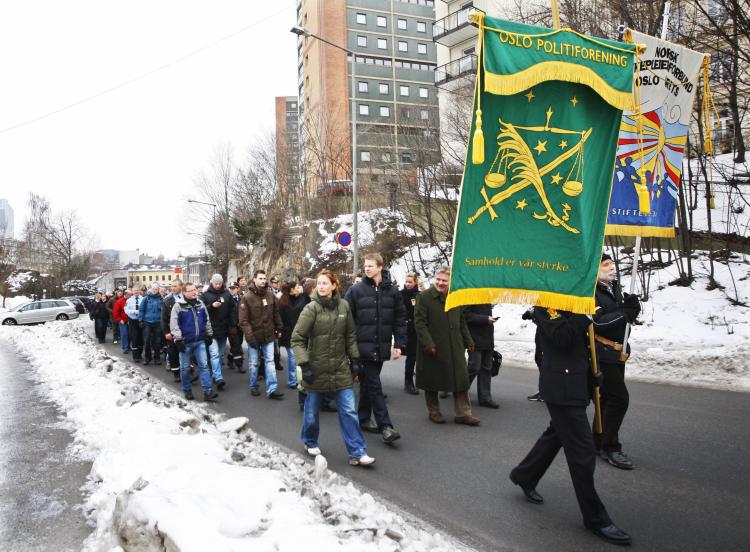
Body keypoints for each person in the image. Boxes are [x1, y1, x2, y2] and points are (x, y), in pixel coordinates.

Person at [509, 307, 631, 546]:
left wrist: (589, 376)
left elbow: (580, 346)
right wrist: (585, 316)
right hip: (560, 389)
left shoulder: (572, 303)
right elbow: (562, 338)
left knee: (555, 435)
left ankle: (524, 475)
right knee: (583, 453)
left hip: (574, 384)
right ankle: (595, 518)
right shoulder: (546, 306)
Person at [292, 269, 375, 466]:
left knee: (348, 411)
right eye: (319, 283)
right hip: (316, 370)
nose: (321, 286)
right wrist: (304, 364)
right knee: (311, 412)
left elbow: (350, 336)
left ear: (334, 286)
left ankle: (357, 452)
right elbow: (297, 338)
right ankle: (309, 440)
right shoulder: (310, 309)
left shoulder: (344, 306)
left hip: (340, 369)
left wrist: (355, 359)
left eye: (325, 283)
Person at [345, 253, 407, 444]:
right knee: (374, 385)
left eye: (371, 266)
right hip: (362, 348)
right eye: (365, 266)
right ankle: (386, 426)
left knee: (367, 385)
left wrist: (399, 344)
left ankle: (363, 418)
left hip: (381, 347)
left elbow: (400, 319)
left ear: (381, 267)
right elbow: (345, 318)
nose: (367, 269)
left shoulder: (392, 291)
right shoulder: (356, 290)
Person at [414, 266, 479, 425]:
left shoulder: (455, 296)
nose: (441, 283)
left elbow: (462, 321)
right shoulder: (424, 297)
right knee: (432, 380)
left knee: (461, 379)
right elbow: (419, 323)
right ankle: (434, 411)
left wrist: (469, 340)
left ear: (450, 281)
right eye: (438, 279)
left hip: (455, 345)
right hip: (433, 346)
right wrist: (428, 344)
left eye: (444, 280)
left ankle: (463, 413)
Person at [592, 253, 640, 470]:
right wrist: (625, 313)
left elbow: (621, 317)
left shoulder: (614, 288)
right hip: (602, 353)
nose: (612, 268)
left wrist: (632, 308)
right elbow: (599, 323)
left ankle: (598, 439)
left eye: (613, 264)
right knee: (619, 399)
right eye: (606, 265)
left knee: (605, 400)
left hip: (618, 353)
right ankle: (610, 446)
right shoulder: (591, 291)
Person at [239, 270, 284, 399]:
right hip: (253, 336)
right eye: (260, 278)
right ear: (254, 279)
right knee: (253, 363)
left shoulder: (270, 295)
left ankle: (272, 389)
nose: (263, 281)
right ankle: (253, 386)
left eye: (265, 278)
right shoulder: (246, 297)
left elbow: (276, 313)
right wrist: (249, 336)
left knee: (270, 361)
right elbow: (243, 321)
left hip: (268, 335)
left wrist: (279, 328)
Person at [170, 282, 218, 402]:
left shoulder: (200, 304)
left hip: (200, 341)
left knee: (204, 366)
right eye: (191, 290)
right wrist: (178, 339)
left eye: (195, 290)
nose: (194, 292)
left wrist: (209, 334)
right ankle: (187, 389)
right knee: (185, 368)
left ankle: (208, 392)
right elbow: (174, 325)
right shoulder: (178, 306)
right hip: (185, 342)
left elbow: (206, 320)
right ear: (184, 292)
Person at [200, 274, 237, 391]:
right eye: (216, 283)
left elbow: (232, 309)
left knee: (220, 354)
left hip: (224, 329)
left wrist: (233, 324)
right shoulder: (205, 295)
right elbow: (201, 310)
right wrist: (211, 306)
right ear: (212, 282)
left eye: (219, 283)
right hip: (211, 330)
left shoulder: (226, 294)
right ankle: (218, 377)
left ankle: (216, 374)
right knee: (215, 354)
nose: (218, 285)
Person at [464, 304, 499, 408]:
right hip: (473, 339)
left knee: (487, 368)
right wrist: (485, 319)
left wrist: (489, 319)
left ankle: (485, 398)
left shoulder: (487, 295)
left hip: (487, 338)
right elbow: (465, 315)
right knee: (474, 367)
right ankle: (461, 392)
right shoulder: (471, 293)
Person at [400, 272, 421, 395]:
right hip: (404, 328)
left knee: (415, 357)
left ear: (415, 282)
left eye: (410, 282)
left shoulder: (419, 295)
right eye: (406, 281)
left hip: (417, 330)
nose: (407, 284)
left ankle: (411, 382)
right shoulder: (400, 294)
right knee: (410, 356)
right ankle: (408, 382)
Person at [278, 281, 300, 389]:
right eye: (296, 287)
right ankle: (292, 380)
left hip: (296, 332)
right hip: (288, 333)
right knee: (292, 357)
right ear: (292, 289)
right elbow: (280, 318)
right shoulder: (283, 302)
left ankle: (296, 378)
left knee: (295, 357)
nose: (298, 288)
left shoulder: (298, 299)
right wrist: (280, 330)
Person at [162, 279, 184, 382]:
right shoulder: (167, 301)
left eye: (175, 286)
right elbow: (163, 319)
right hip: (172, 331)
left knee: (186, 351)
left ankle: (189, 372)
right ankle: (176, 373)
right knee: (173, 352)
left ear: (181, 286)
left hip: (184, 329)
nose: (173, 288)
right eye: (172, 286)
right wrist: (166, 332)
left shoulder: (186, 298)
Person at [138, 282, 164, 366]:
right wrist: (140, 320)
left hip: (158, 322)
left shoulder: (161, 299)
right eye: (153, 289)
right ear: (150, 289)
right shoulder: (146, 298)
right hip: (147, 322)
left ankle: (157, 358)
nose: (154, 291)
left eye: (156, 289)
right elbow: (141, 309)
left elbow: (163, 311)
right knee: (147, 341)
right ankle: (147, 357)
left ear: (158, 289)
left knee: (157, 341)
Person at [227, 283, 245, 372]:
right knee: (236, 345)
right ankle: (239, 365)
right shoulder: (227, 299)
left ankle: (230, 358)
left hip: (240, 326)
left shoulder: (242, 299)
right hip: (231, 327)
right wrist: (230, 325)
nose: (231, 290)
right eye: (230, 288)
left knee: (239, 343)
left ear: (237, 289)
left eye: (233, 288)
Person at [124, 286, 144, 362]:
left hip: (141, 320)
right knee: (134, 338)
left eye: (138, 290)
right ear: (132, 291)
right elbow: (126, 310)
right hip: (133, 320)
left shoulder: (143, 299)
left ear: (140, 291)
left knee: (141, 338)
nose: (136, 291)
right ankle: (135, 356)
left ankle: (139, 354)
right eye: (135, 290)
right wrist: (133, 311)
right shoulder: (129, 300)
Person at [113, 290, 130, 354]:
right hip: (123, 321)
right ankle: (125, 347)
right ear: (126, 294)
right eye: (130, 294)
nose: (131, 296)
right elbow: (115, 312)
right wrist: (119, 319)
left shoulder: (131, 300)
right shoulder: (120, 301)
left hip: (130, 320)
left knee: (129, 334)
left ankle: (128, 346)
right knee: (124, 334)